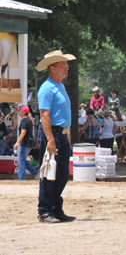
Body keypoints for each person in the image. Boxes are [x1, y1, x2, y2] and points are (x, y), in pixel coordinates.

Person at [36, 50, 76, 223]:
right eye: (63, 65)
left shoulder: (59, 85)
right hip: (53, 134)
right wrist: (51, 139)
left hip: (62, 135)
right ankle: (45, 211)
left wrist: (67, 136)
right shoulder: (47, 88)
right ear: (53, 68)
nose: (67, 68)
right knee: (49, 173)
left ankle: (55, 208)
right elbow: (44, 115)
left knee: (61, 174)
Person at [13, 105, 39, 180]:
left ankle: (21, 179)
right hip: (29, 143)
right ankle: (36, 174)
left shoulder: (24, 121)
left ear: (22, 112)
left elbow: (23, 132)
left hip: (25, 143)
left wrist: (17, 142)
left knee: (21, 160)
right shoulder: (28, 120)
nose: (18, 112)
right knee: (23, 160)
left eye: (19, 110)